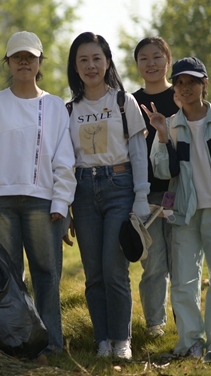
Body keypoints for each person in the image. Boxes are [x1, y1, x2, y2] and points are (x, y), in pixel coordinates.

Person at [0, 31, 76, 358]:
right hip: (0, 202)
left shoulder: (55, 106)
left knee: (47, 274)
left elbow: (64, 158)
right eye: (17, 57)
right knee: (10, 276)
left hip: (43, 203)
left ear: (40, 62)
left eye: (30, 57)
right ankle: (15, 343)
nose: (24, 62)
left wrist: (61, 200)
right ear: (9, 62)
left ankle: (52, 343)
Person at [65, 32, 149, 361]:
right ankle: (102, 340)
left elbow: (139, 152)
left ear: (108, 61)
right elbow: (64, 161)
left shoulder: (122, 101)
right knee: (93, 272)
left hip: (119, 188)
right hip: (83, 192)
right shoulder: (69, 108)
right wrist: (65, 205)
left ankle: (121, 340)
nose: (91, 65)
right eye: (83, 59)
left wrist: (141, 196)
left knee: (115, 269)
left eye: (96, 58)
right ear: (75, 66)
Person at [146, 57, 211, 360]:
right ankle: (191, 343)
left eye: (192, 82)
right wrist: (160, 134)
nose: (186, 88)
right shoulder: (169, 124)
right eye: (180, 82)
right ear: (174, 88)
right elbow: (161, 172)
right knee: (184, 281)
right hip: (184, 212)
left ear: (204, 85)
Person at [131, 37, 176, 338]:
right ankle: (155, 326)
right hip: (145, 195)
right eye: (144, 58)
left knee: (182, 261)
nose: (151, 63)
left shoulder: (182, 95)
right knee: (155, 262)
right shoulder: (130, 101)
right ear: (137, 65)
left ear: (167, 61)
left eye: (157, 57)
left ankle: (184, 323)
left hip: (178, 191)